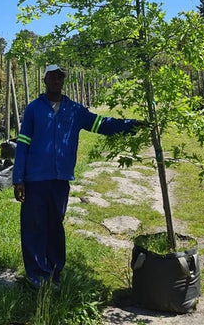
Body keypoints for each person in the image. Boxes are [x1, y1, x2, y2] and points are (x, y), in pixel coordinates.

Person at [13, 64, 139, 287]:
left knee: (54, 226)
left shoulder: (74, 110)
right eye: (52, 77)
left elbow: (101, 124)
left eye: (60, 78)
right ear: (44, 80)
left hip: (60, 180)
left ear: (63, 82)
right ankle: (35, 274)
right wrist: (18, 179)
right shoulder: (34, 109)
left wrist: (132, 125)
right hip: (35, 179)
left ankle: (54, 271)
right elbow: (22, 144)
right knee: (34, 226)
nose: (57, 81)